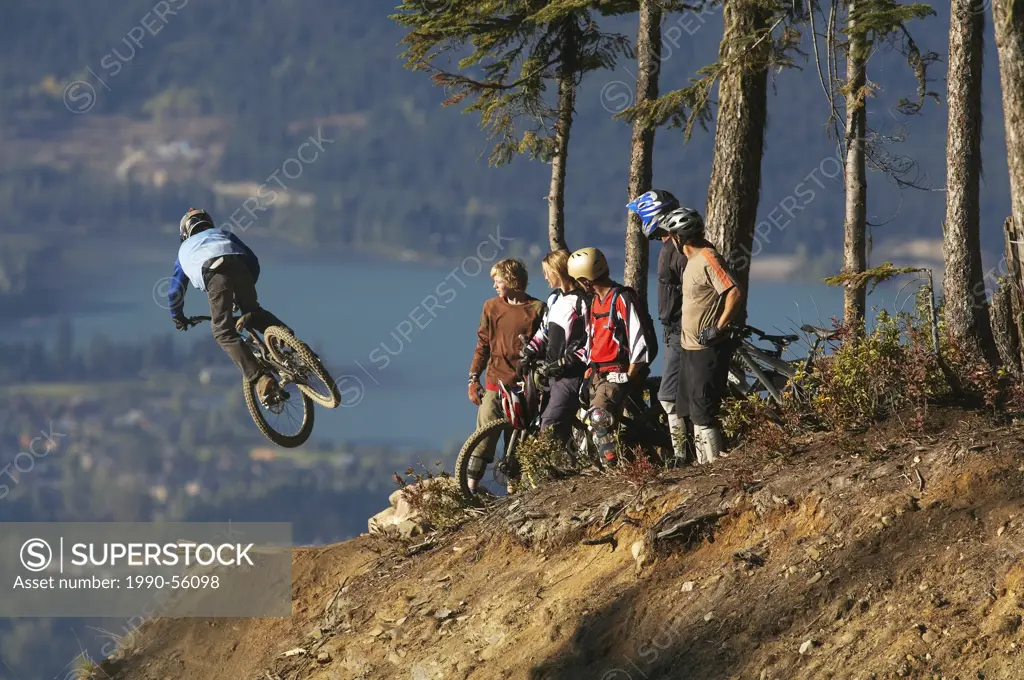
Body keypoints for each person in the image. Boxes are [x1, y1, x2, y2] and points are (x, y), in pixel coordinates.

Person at [168, 208, 282, 405]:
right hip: (241, 266)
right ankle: (292, 345)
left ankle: (261, 379)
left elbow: (175, 291)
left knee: (223, 332)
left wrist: (178, 316)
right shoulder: (222, 233)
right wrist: (245, 290)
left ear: (185, 232)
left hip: (214, 275)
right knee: (254, 313)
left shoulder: (185, 250)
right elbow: (252, 260)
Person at [661, 207, 744, 464]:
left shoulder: (708, 258)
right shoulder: (692, 261)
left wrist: (719, 327)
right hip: (689, 347)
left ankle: (714, 467)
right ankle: (701, 466)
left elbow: (734, 292)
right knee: (692, 412)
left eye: (671, 235)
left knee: (704, 414)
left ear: (679, 237)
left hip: (707, 349)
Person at [466, 258, 546, 493]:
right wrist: (473, 378)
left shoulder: (537, 309)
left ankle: (515, 492)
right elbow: (482, 344)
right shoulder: (491, 307)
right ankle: (470, 489)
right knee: (483, 438)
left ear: (512, 281)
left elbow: (545, 348)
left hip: (524, 386)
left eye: (497, 280)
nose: (494, 286)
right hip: (494, 382)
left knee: (518, 442)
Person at [567, 247, 651, 467]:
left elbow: (637, 334)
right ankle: (606, 463)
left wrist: (631, 372)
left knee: (598, 417)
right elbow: (592, 337)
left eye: (579, 280)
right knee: (586, 416)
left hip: (617, 371)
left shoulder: (621, 297)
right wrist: (589, 368)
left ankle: (611, 467)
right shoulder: (595, 301)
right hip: (597, 371)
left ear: (585, 279)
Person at [627, 189, 689, 464]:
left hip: (681, 328)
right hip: (673, 328)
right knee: (677, 394)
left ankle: (681, 455)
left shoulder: (677, 250)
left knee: (668, 396)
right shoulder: (671, 247)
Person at [520, 250, 589, 447]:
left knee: (549, 425)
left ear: (558, 272)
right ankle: (566, 470)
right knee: (549, 423)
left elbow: (590, 340)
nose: (544, 276)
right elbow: (544, 331)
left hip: (572, 376)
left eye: (547, 272)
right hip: (551, 374)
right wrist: (529, 351)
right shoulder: (553, 299)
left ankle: (549, 472)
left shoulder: (582, 301)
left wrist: (568, 360)